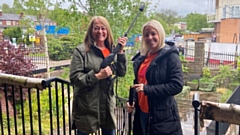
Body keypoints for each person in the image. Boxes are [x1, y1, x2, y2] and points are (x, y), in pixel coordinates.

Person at [70, 16, 128, 135]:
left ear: (107, 30)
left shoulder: (112, 50)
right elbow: (75, 77)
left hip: (107, 105)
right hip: (87, 106)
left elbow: (121, 72)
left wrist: (121, 52)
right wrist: (97, 76)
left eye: (103, 28)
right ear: (91, 30)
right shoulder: (81, 51)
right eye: (96, 28)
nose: (100, 32)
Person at [127, 20, 183, 135]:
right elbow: (139, 82)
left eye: (153, 34)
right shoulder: (143, 57)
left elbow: (177, 85)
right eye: (146, 35)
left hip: (161, 117)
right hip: (142, 112)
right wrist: (132, 100)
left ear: (160, 34)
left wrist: (147, 89)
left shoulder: (170, 56)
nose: (150, 37)